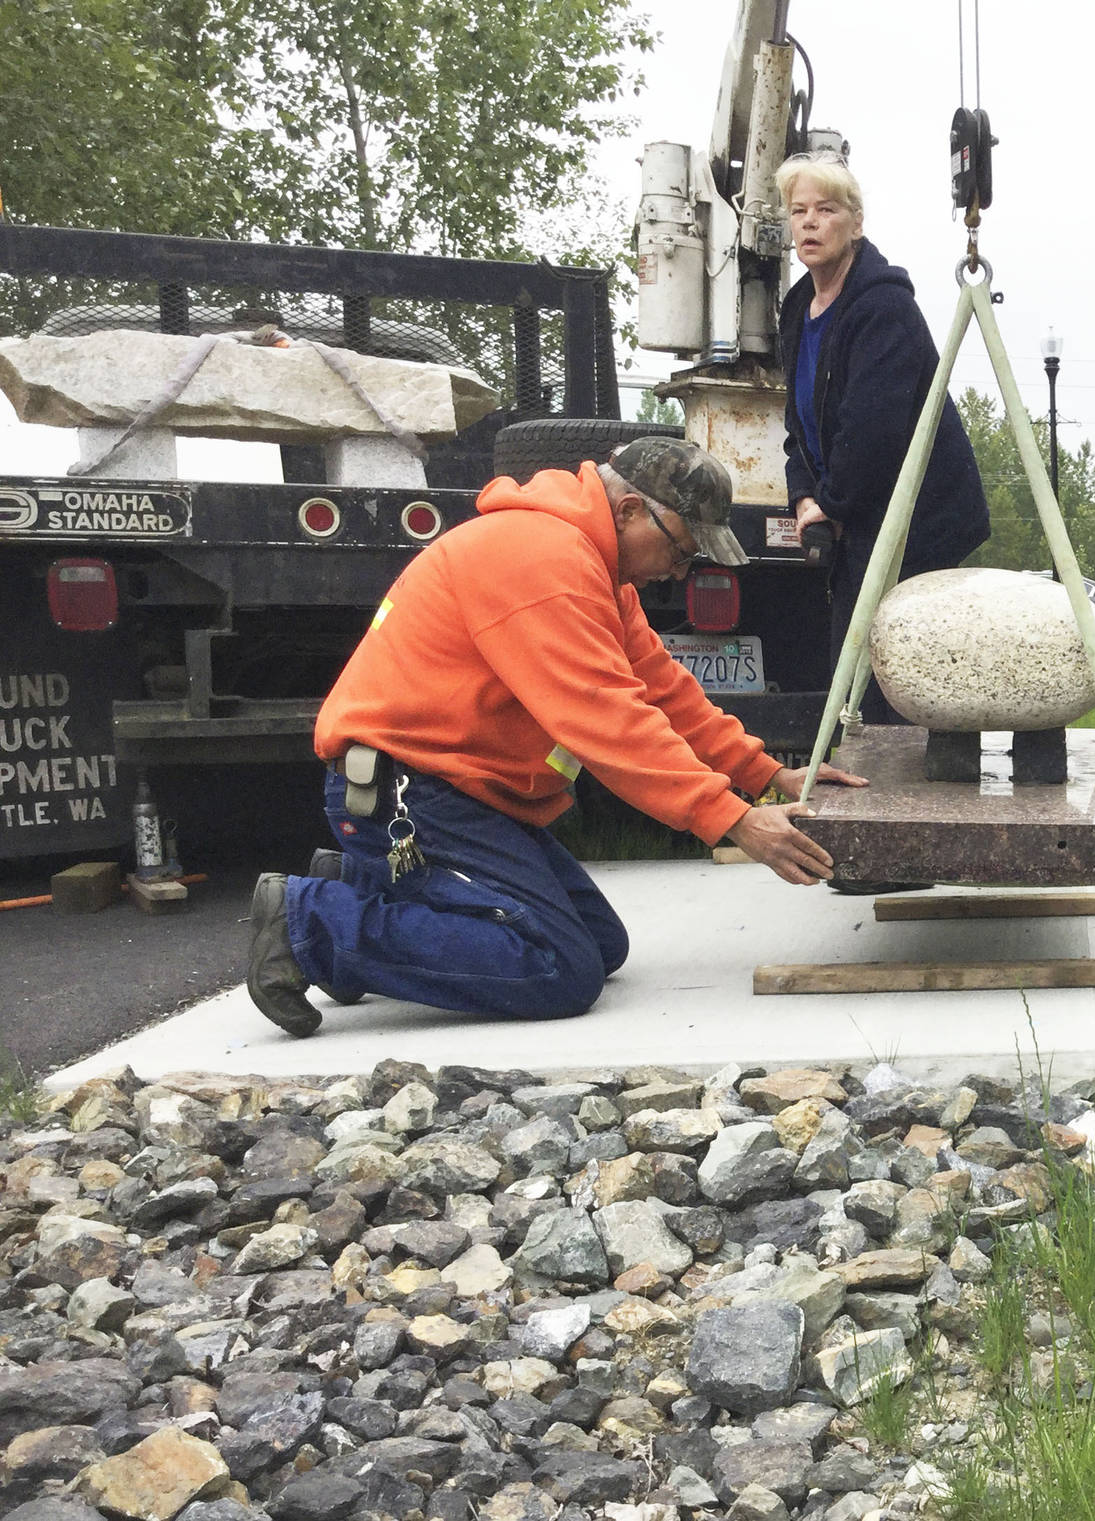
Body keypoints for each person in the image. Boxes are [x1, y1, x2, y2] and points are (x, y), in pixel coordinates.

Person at [244, 436, 865, 1037]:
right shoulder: (542, 559)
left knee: (599, 944)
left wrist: (767, 775)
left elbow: (661, 690)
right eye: (680, 550)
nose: (679, 571)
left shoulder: (593, 569)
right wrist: (735, 821)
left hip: (455, 790)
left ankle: (366, 883)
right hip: (406, 791)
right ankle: (310, 925)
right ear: (627, 510)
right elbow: (606, 720)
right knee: (558, 967)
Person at [777, 152, 990, 722]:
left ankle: (906, 798)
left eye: (825, 209)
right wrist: (803, 497)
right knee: (852, 672)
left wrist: (832, 506)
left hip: (916, 521)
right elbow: (799, 425)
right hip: (858, 515)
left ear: (856, 222)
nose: (809, 223)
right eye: (798, 211)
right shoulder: (799, 309)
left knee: (893, 678)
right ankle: (864, 781)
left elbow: (873, 431)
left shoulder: (883, 307)